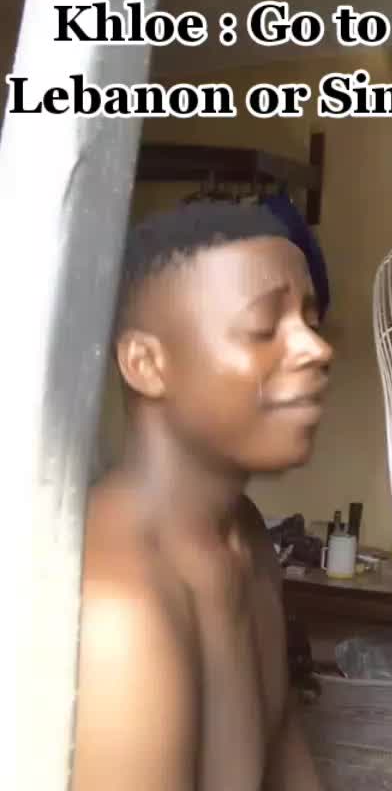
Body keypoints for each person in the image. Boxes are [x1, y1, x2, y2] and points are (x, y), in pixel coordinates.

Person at [72, 200, 333, 791]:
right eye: (264, 327)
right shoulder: (119, 605)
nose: (318, 349)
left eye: (310, 322)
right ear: (146, 363)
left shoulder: (246, 534)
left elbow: (284, 751)